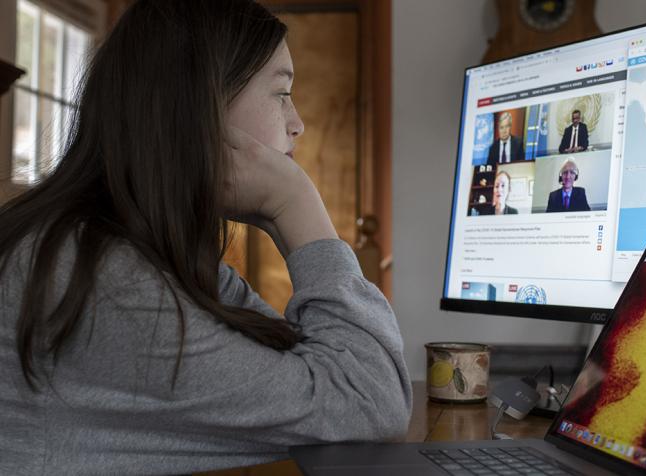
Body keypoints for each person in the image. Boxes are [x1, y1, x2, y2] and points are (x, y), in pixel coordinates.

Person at [0, 1, 411, 474]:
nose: (297, 122)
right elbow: (369, 404)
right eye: (282, 93)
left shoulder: (149, 253)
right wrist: (298, 208)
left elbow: (313, 367)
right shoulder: (102, 277)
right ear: (199, 106)